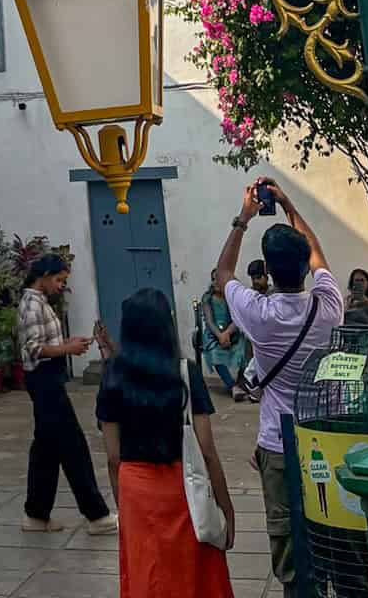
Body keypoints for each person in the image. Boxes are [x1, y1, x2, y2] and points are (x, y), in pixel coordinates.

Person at [217, 180, 343, 593]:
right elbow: (319, 255)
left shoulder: (259, 314)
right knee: (337, 527)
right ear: (305, 264)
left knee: (288, 538)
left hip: (279, 442)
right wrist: (289, 205)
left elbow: (223, 276)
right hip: (329, 437)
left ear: (267, 271)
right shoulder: (328, 305)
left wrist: (244, 217)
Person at [97, 287, 234, 597]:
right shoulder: (185, 373)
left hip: (135, 488)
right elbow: (207, 451)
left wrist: (124, 506)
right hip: (182, 486)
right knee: (191, 570)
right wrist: (226, 506)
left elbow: (113, 457)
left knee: (147, 571)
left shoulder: (113, 377)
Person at [17, 252, 118, 535]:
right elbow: (34, 349)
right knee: (72, 446)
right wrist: (66, 349)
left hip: (49, 379)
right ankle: (96, 515)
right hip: (44, 380)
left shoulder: (40, 303)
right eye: (59, 280)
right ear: (45, 276)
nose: (62, 285)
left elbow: (44, 342)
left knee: (46, 450)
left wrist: (67, 344)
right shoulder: (31, 305)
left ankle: (36, 515)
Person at [198, 272, 251, 401]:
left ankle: (241, 382)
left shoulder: (232, 297)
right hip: (213, 334)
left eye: (219, 279)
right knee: (215, 353)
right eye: (213, 279)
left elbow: (238, 318)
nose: (215, 282)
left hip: (232, 333)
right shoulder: (207, 298)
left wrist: (227, 333)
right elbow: (209, 321)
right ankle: (232, 386)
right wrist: (220, 336)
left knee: (245, 348)